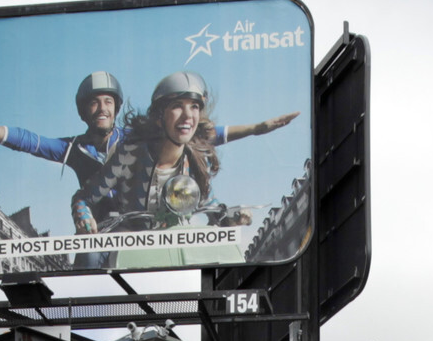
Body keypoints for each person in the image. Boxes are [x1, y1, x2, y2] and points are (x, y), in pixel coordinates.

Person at [76, 70, 300, 233]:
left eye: (194, 107)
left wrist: (231, 217)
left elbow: (211, 208)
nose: (187, 116)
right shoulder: (129, 154)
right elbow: (84, 198)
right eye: (176, 106)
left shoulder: (195, 160)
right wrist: (85, 217)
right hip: (130, 252)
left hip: (178, 258)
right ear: (159, 115)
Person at [0, 72, 129, 232]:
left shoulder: (135, 139)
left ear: (116, 108)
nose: (102, 108)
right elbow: (27, 140)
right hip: (99, 231)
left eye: (108, 102)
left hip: (142, 227)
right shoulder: (73, 148)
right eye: (95, 102)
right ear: (83, 112)